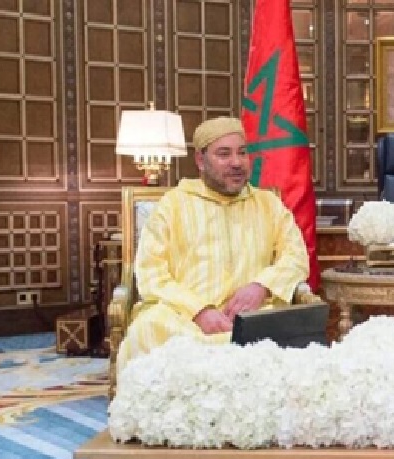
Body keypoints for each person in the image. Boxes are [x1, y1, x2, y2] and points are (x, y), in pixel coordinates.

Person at [117, 116, 310, 371]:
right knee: (147, 330)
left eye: (242, 153)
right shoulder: (173, 205)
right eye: (224, 154)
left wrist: (262, 286)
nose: (237, 163)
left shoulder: (268, 204)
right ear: (200, 160)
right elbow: (151, 273)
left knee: (288, 329)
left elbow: (296, 256)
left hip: (253, 316)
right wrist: (198, 310)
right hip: (185, 319)